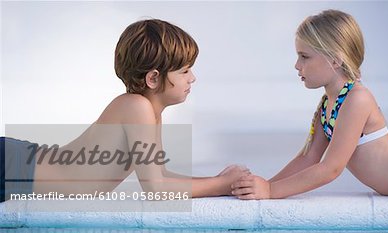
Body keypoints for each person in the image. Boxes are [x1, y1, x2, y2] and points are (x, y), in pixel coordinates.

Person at [0, 19, 249, 202]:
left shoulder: (150, 111)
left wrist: (218, 181)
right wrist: (221, 185)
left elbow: (160, 176)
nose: (192, 78)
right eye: (184, 71)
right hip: (10, 165)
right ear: (153, 78)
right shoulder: (136, 107)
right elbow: (156, 190)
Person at [231, 9, 388, 201]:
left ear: (335, 60)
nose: (297, 65)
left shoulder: (357, 99)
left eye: (304, 56)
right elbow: (308, 158)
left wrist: (270, 190)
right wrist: (261, 187)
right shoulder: (327, 105)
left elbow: (331, 168)